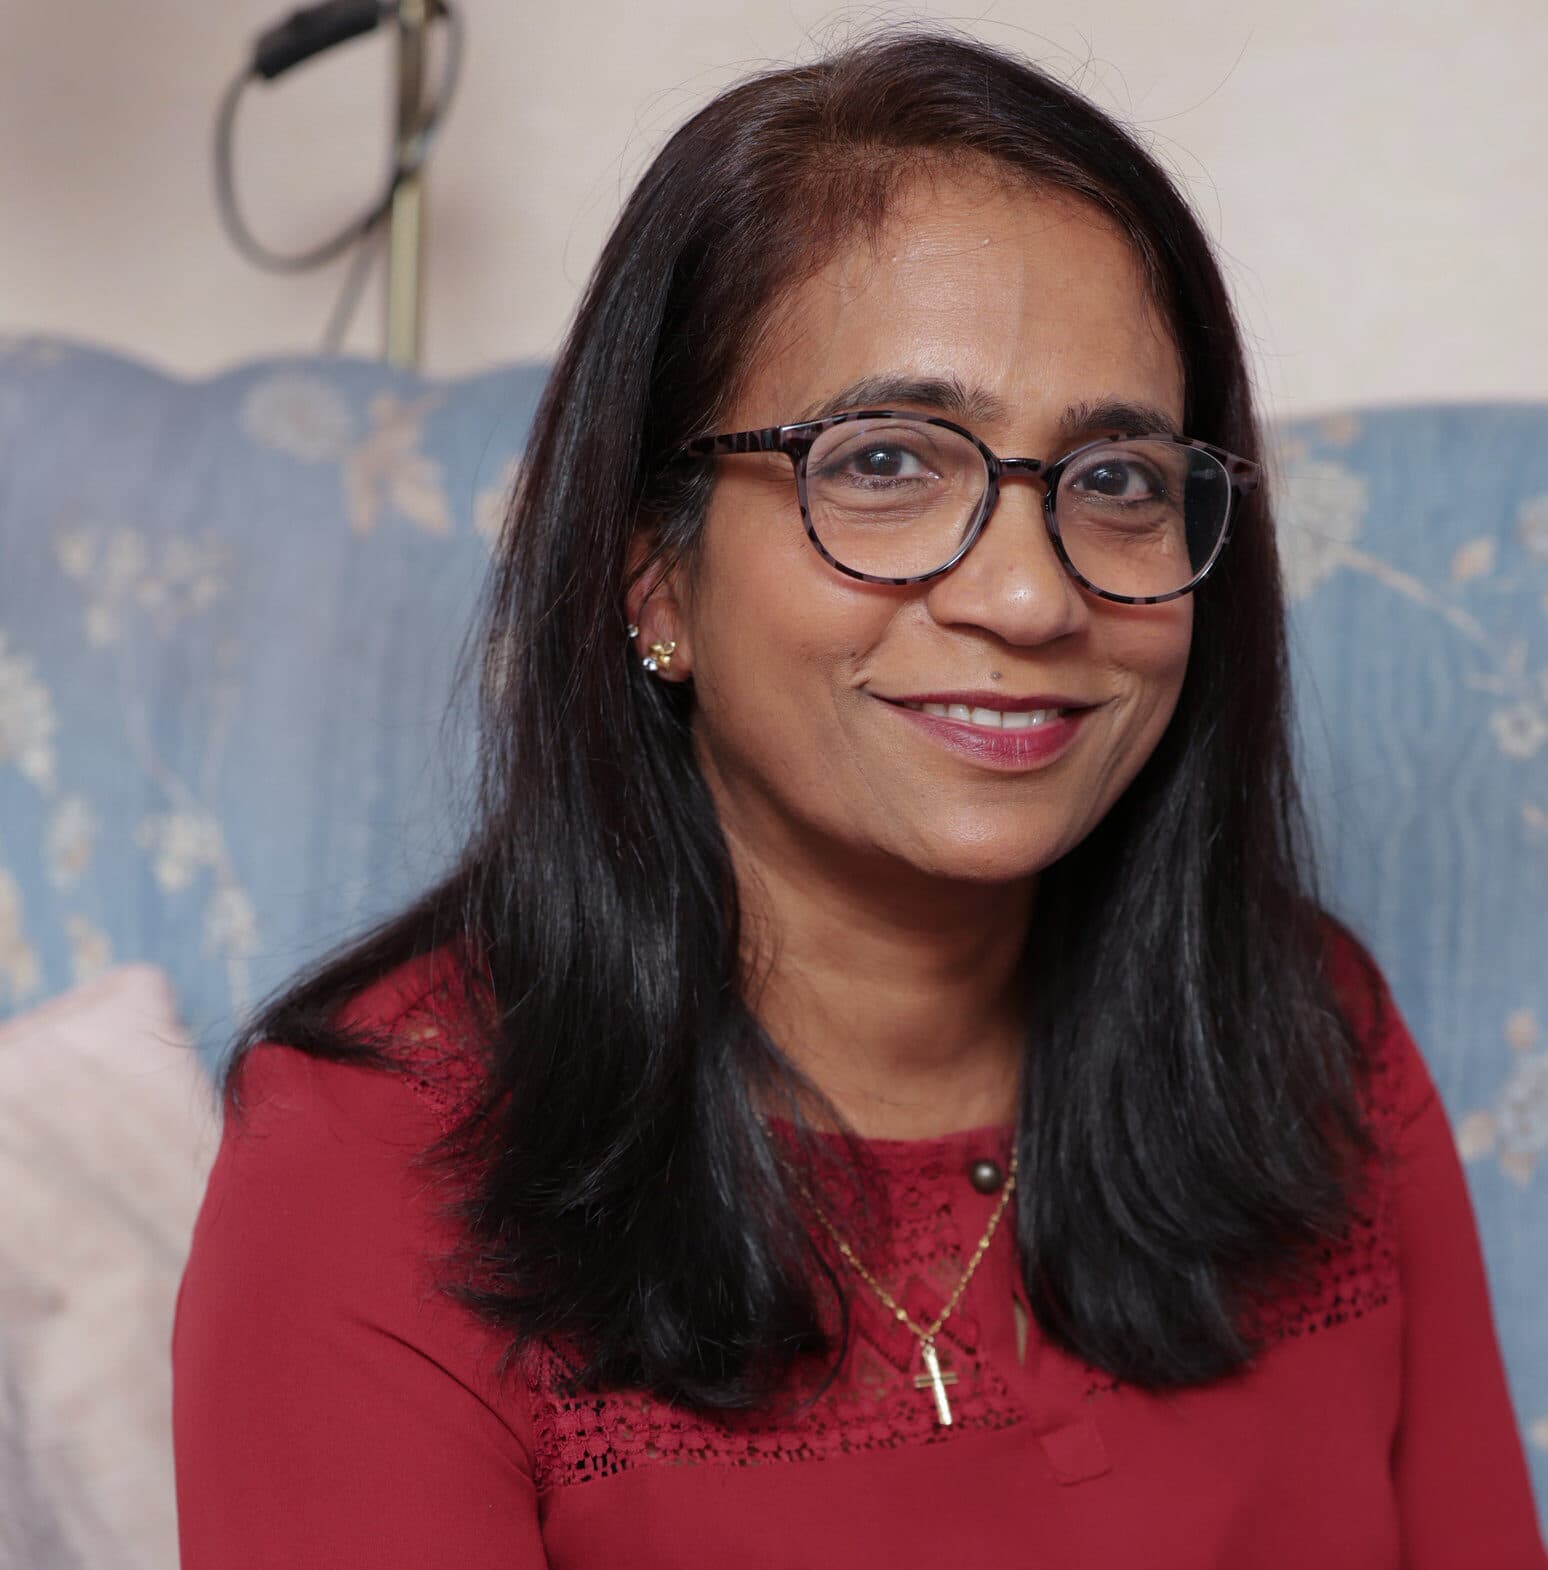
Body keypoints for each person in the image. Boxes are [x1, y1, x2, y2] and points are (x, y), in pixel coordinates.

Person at [170, 28, 1547, 1569]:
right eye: (885, 461)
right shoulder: (367, 1171)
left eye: (1117, 478)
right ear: (654, 573)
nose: (1030, 596)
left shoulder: (1315, 1045)